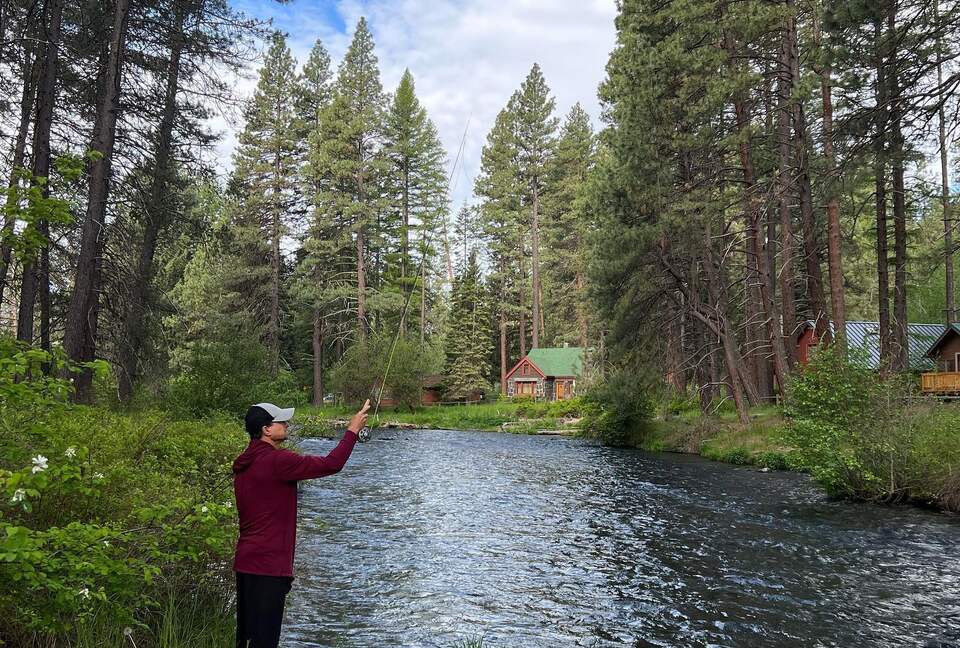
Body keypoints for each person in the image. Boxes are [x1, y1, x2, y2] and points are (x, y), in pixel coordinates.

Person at [233, 399, 370, 648]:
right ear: (266, 429)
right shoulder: (278, 461)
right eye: (281, 421)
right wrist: (352, 431)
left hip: (245, 564)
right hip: (269, 567)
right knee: (264, 642)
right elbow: (332, 464)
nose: (286, 424)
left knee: (246, 640)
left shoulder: (244, 462)